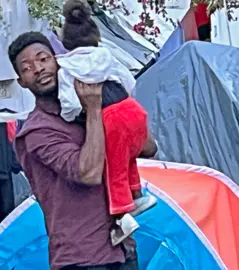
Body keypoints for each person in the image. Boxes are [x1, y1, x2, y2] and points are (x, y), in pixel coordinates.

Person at [8, 31, 157, 270]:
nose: (38, 69)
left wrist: (119, 108)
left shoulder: (80, 104)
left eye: (43, 59)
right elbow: (88, 173)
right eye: (26, 68)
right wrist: (95, 109)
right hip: (82, 257)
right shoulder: (37, 131)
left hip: (122, 249)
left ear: (58, 61)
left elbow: (149, 148)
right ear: (22, 82)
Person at [58, 0, 157, 245]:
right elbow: (130, 83)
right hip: (132, 110)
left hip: (110, 118)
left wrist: (72, 116)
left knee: (113, 165)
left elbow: (69, 104)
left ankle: (123, 211)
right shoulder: (107, 56)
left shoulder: (66, 67)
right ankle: (137, 193)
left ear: (65, 41)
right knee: (127, 157)